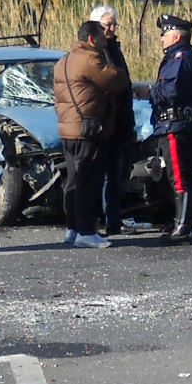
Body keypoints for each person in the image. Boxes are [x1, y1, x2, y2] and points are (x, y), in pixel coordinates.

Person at [53, 19, 127, 248]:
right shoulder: (90, 58)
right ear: (92, 39)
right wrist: (119, 68)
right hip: (88, 128)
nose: (106, 42)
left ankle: (73, 228)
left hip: (68, 128)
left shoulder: (63, 61)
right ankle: (86, 230)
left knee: (74, 180)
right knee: (88, 181)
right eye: (103, 38)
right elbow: (115, 81)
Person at [149, 13, 192, 244]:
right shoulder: (182, 57)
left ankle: (184, 226)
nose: (161, 38)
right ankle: (187, 224)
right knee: (184, 176)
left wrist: (150, 92)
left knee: (179, 177)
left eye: (164, 34)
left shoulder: (180, 58)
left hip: (177, 124)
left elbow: (172, 92)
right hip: (179, 124)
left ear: (176, 35)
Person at [88, 4, 134, 235]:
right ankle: (104, 220)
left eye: (114, 24)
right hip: (105, 121)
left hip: (119, 120)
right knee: (103, 175)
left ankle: (113, 219)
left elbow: (124, 84)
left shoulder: (114, 48)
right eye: (109, 25)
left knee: (116, 174)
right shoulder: (95, 52)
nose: (113, 29)